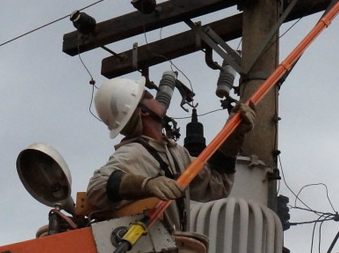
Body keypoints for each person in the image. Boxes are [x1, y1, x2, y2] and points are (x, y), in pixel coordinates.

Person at [86, 77, 254, 230]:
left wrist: (233, 135)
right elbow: (97, 186)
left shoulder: (175, 152)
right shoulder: (135, 152)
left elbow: (217, 184)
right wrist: (145, 185)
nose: (155, 97)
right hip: (148, 249)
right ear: (143, 111)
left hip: (172, 248)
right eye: (147, 95)